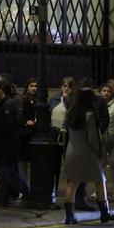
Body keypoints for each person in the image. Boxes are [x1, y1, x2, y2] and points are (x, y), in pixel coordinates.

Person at [62, 89, 110, 224]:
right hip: (87, 153)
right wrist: (99, 151)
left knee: (72, 183)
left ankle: (69, 215)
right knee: (100, 181)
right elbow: (92, 138)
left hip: (72, 150)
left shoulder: (71, 113)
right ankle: (104, 212)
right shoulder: (89, 115)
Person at [0, 74, 20, 206]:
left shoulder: (9, 104)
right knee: (2, 172)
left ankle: (13, 194)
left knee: (6, 172)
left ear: (1, 90)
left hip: (6, 145)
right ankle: (2, 196)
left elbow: (8, 126)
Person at [50, 76, 75, 204]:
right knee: (54, 164)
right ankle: (52, 189)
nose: (66, 88)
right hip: (55, 134)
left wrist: (66, 99)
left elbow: (72, 113)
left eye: (69, 86)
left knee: (69, 164)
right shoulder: (54, 99)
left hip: (68, 136)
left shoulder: (72, 100)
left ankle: (70, 191)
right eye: (64, 86)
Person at [17, 78, 41, 196]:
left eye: (35, 86)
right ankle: (24, 189)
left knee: (33, 164)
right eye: (31, 86)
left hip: (34, 135)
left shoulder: (39, 101)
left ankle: (31, 188)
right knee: (22, 163)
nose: (33, 88)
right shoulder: (22, 101)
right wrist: (26, 122)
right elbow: (19, 117)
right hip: (24, 135)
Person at [99, 79, 114, 197]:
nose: (106, 93)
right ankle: (101, 189)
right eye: (104, 91)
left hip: (113, 138)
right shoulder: (98, 105)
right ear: (100, 92)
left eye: (108, 91)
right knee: (101, 163)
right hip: (102, 138)